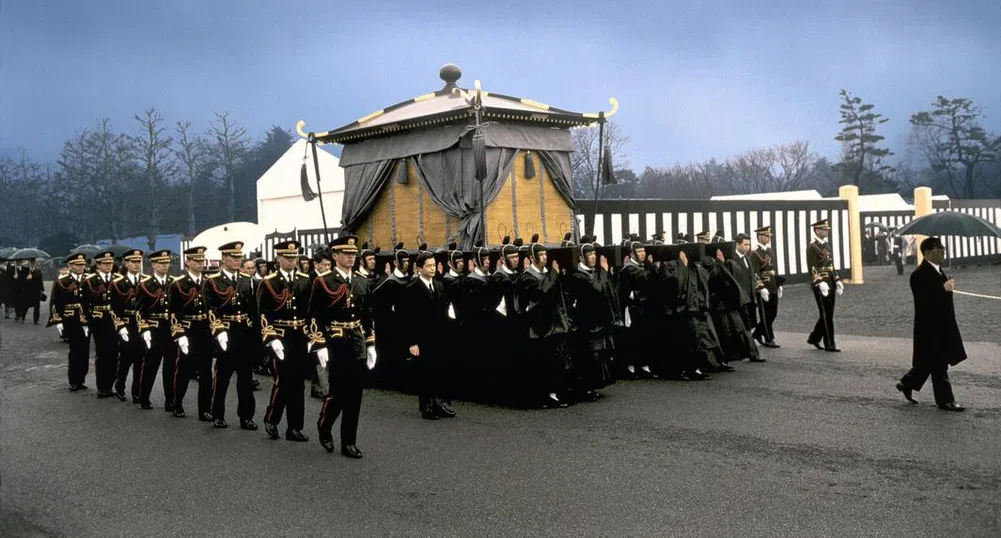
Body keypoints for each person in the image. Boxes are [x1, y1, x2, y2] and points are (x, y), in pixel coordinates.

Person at [310, 236, 376, 458]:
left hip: (356, 339)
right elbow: (315, 316)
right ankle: (325, 424)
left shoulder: (361, 281)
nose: (351, 257)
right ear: (335, 256)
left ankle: (349, 442)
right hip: (336, 340)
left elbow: (367, 315)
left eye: (353, 253)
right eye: (345, 253)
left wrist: (371, 343)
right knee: (338, 393)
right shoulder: (324, 281)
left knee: (355, 393)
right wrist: (319, 343)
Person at [895, 237, 966, 412]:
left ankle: (906, 383)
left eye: (943, 250)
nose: (943, 253)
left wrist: (946, 287)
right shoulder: (919, 274)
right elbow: (923, 301)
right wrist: (944, 289)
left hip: (942, 325)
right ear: (927, 253)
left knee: (927, 363)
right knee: (939, 364)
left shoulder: (938, 270)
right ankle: (945, 400)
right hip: (930, 327)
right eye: (938, 250)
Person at [258, 240, 312, 442]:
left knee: (298, 383)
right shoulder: (269, 282)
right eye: (288, 257)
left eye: (294, 257)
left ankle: (295, 427)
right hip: (280, 336)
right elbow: (262, 314)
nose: (292, 261)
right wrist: (271, 337)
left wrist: (312, 336)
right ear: (278, 258)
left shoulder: (305, 280)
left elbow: (309, 311)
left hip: (299, 336)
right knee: (283, 380)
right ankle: (272, 419)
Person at [204, 241, 258, 430]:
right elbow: (210, 309)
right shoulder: (212, 281)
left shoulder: (247, 279)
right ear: (224, 259)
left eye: (239, 257)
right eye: (233, 257)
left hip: (244, 331)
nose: (237, 260)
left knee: (245, 378)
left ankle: (246, 416)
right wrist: (218, 330)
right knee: (222, 377)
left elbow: (253, 307)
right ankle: (217, 414)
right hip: (225, 332)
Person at [515, 240, 573, 408]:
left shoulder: (549, 274)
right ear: (532, 257)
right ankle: (542, 395)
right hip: (538, 325)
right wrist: (554, 274)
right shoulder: (527, 277)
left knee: (556, 360)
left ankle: (555, 392)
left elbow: (560, 298)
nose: (544, 257)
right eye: (540, 255)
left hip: (554, 323)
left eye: (545, 254)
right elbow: (541, 293)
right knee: (541, 362)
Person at [403, 250, 454, 419]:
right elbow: (408, 319)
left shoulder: (439, 285)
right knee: (425, 372)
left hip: (439, 337)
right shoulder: (412, 289)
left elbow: (444, 312)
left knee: (439, 370)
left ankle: (439, 404)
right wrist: (412, 342)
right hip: (422, 338)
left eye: (434, 265)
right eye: (429, 266)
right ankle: (427, 406)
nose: (432, 269)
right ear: (419, 268)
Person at [566, 241, 617, 401]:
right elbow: (597, 290)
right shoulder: (578, 275)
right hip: (586, 321)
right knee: (588, 355)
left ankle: (593, 386)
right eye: (589, 255)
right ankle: (585, 388)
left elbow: (609, 291)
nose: (593, 257)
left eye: (594, 254)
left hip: (599, 320)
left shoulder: (594, 272)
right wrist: (603, 271)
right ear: (581, 257)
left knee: (599, 355)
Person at [168, 246, 214, 420]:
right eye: (196, 260)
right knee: (184, 369)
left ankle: (205, 409)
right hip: (188, 330)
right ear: (188, 262)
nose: (200, 263)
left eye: (202, 260)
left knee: (206, 371)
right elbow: (173, 312)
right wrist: (179, 334)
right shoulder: (178, 283)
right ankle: (177, 403)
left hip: (205, 329)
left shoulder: (208, 281)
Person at [135, 250, 174, 410]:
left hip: (171, 329)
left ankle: (170, 400)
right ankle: (144, 397)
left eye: (167, 263)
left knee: (171, 367)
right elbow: (139, 310)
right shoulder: (145, 285)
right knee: (151, 365)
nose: (165, 266)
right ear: (153, 265)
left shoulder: (174, 282)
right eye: (161, 263)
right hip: (154, 329)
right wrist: (144, 329)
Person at [83, 250, 124, 398]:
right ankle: (102, 386)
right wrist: (87, 322)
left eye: (110, 263)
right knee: (102, 353)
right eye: (105, 263)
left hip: (114, 319)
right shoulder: (90, 280)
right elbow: (85, 303)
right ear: (98, 264)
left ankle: (110, 385)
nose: (108, 266)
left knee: (114, 353)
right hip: (99, 320)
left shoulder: (118, 279)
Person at [47, 253, 91, 391]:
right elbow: (56, 302)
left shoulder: (89, 279)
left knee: (85, 350)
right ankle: (73, 379)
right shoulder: (63, 281)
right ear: (70, 266)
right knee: (75, 350)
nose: (80, 267)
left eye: (82, 264)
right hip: (71, 318)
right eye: (77, 265)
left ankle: (81, 379)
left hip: (88, 319)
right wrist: (58, 320)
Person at [110, 249, 146, 402]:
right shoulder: (118, 283)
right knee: (125, 358)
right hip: (126, 323)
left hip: (142, 325)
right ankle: (120, 387)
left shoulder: (146, 281)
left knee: (140, 359)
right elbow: (113, 308)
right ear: (126, 263)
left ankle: (136, 391)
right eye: (133, 262)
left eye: (138, 261)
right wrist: (120, 326)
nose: (136, 264)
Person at [806, 219, 843, 352]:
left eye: (827, 229)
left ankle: (814, 337)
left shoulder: (826, 244)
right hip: (821, 283)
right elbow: (812, 266)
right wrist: (819, 281)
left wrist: (837, 278)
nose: (827, 231)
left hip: (830, 282)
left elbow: (830, 264)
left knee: (828, 313)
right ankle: (829, 343)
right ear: (817, 230)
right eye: (824, 229)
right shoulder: (812, 246)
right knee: (826, 314)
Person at [751, 226, 782, 348]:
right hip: (763, 286)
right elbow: (755, 272)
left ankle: (757, 333)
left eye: (769, 236)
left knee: (773, 313)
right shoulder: (755, 252)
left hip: (772, 285)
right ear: (759, 236)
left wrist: (778, 284)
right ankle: (769, 338)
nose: (768, 238)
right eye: (766, 236)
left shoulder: (769, 250)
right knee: (765, 313)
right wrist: (760, 287)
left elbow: (773, 268)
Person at [15, 258, 45, 324]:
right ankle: (23, 317)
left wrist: (42, 290)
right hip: (28, 291)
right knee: (25, 306)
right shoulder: (25, 270)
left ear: (35, 263)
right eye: (31, 262)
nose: (32, 264)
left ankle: (36, 320)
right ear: (29, 263)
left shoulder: (38, 271)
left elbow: (40, 281)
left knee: (37, 306)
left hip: (36, 291)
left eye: (33, 262)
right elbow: (21, 280)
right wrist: (27, 278)